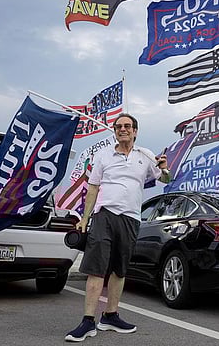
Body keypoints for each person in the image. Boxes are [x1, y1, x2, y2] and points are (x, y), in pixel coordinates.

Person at [65, 113, 171, 342]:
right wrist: (84, 218)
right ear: (114, 130)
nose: (122, 129)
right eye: (118, 126)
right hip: (104, 215)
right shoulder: (103, 155)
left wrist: (164, 168)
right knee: (96, 268)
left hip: (131, 218)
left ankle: (110, 315)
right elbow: (93, 188)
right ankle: (88, 321)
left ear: (135, 131)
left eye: (127, 126)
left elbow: (165, 179)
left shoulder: (146, 155)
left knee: (120, 270)